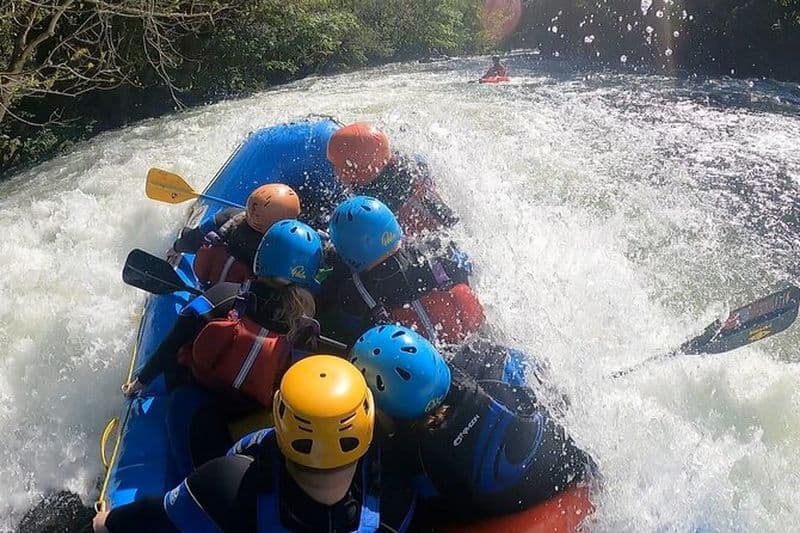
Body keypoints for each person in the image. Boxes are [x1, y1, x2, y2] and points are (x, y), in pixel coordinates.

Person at [93, 355, 417, 532]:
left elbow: (154, 517)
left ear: (280, 416)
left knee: (184, 403)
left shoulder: (224, 483)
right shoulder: (397, 492)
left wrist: (106, 522)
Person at [123, 220, 324, 474]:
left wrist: (140, 382)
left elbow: (175, 339)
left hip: (199, 397)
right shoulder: (306, 326)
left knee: (183, 402)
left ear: (261, 257)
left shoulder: (226, 294)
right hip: (252, 409)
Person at [349, 325, 597, 527]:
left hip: (522, 507)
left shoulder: (416, 459)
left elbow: (435, 514)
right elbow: (556, 391)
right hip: (575, 468)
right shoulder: (490, 359)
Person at [317, 196, 482, 347]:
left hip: (418, 368)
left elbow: (342, 335)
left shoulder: (355, 294)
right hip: (475, 341)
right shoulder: (436, 250)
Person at [326, 123, 458, 235]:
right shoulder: (393, 164)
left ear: (358, 169)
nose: (335, 171)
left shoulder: (392, 196)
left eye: (339, 166)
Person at [167, 183, 301, 285]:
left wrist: (177, 247)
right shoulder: (279, 247)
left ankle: (184, 232)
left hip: (210, 279)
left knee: (191, 234)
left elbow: (193, 241)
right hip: (239, 297)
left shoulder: (229, 215)